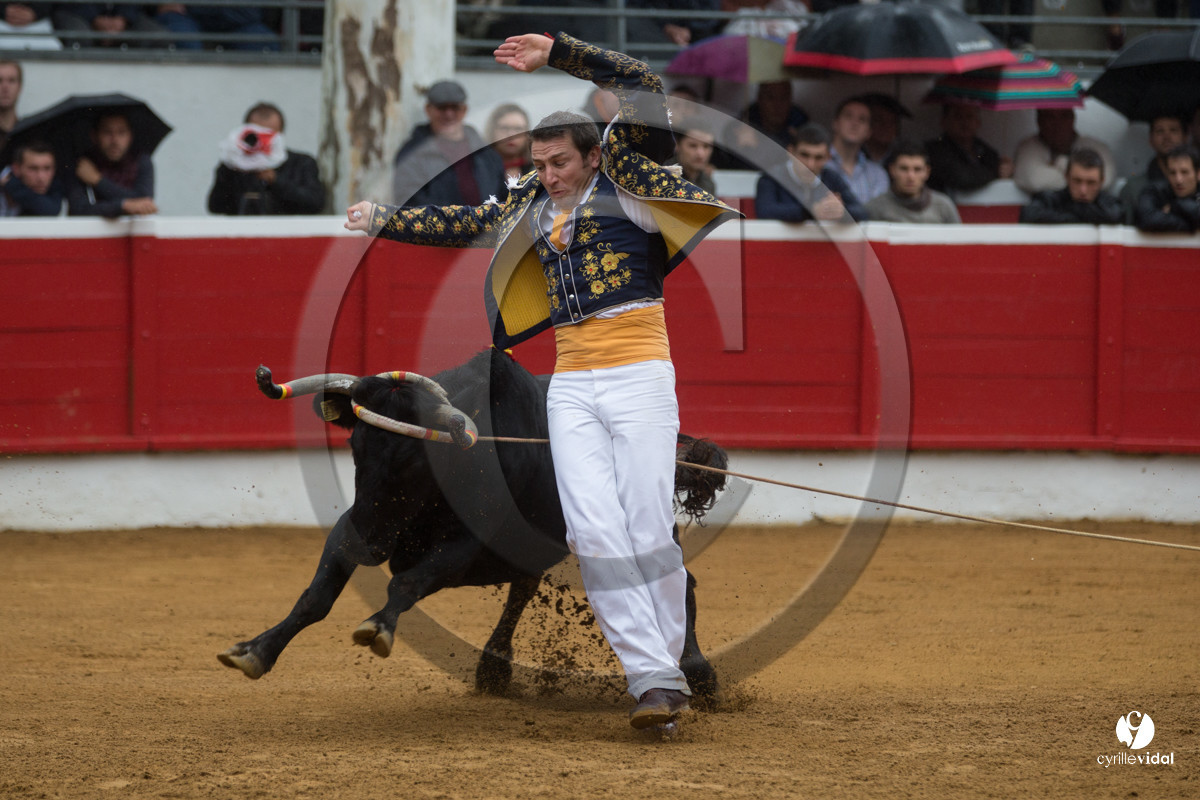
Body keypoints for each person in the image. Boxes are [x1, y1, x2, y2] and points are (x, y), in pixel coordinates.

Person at [345, 31, 739, 731]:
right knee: (590, 533)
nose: (550, 174)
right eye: (541, 164)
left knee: (648, 527)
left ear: (596, 155)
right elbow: (464, 220)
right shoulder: (530, 205)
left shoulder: (631, 181)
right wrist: (385, 221)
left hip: (641, 374)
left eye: (562, 162)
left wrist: (558, 51)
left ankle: (668, 663)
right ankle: (652, 682)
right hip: (572, 385)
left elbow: (640, 75)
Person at [392, 79, 506, 207]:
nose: (449, 114)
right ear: (428, 110)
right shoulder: (411, 155)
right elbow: (409, 203)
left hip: (487, 226)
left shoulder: (486, 152)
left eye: (455, 108)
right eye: (442, 108)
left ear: (464, 110)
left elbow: (502, 198)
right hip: (436, 227)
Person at [207, 102, 324, 215]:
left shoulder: (301, 163)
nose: (262, 142)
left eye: (269, 135)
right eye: (257, 134)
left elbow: (315, 203)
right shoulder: (232, 166)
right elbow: (215, 206)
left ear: (280, 135)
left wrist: (275, 180)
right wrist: (233, 167)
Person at [755, 123, 867, 223]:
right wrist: (811, 211)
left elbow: (862, 212)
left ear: (828, 157)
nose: (810, 165)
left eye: (818, 157)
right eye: (804, 155)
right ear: (791, 152)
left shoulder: (831, 178)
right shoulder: (771, 178)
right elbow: (765, 212)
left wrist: (841, 212)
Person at [66, 111, 157, 217]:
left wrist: (98, 180)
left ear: (130, 136)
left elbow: (144, 201)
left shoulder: (141, 160)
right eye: (107, 132)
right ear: (94, 136)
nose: (115, 140)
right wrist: (123, 206)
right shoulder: (83, 164)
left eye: (121, 132)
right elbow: (78, 210)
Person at [1013, 108, 1116, 194]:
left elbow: (1105, 180)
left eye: (1064, 116)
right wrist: (1084, 179)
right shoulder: (1028, 146)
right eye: (1049, 117)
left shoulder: (1096, 146)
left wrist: (1062, 164)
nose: (1057, 123)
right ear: (1039, 121)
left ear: (1073, 119)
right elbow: (1034, 181)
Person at [714, 80, 808, 170]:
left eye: (783, 98)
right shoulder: (744, 123)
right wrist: (744, 148)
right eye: (771, 98)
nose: (777, 105)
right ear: (760, 99)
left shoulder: (800, 125)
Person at [925, 103, 1013, 195]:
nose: (965, 122)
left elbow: (996, 164)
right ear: (944, 121)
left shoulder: (983, 148)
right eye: (958, 116)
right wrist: (996, 172)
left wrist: (1005, 169)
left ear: (978, 122)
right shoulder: (936, 149)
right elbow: (963, 179)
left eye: (969, 116)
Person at [1019, 147, 1122, 225]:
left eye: (1091, 183)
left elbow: (1116, 216)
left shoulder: (1109, 204)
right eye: (1077, 181)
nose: (1083, 190)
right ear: (1066, 177)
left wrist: (1074, 211)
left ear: (1101, 181)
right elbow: (1029, 214)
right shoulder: (1050, 199)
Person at [866, 141, 961, 224]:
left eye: (917, 169)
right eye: (904, 169)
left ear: (927, 172)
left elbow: (959, 242)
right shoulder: (874, 208)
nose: (911, 176)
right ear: (892, 170)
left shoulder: (944, 206)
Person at [1120, 115, 1187, 224]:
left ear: (1185, 137)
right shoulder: (1133, 189)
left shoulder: (1196, 187)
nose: (1167, 137)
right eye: (1160, 131)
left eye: (1173, 130)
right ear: (1150, 139)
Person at [828, 95, 889, 204]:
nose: (854, 123)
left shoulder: (878, 174)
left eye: (862, 119)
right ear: (835, 124)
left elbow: (878, 214)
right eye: (848, 116)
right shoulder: (816, 163)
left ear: (869, 132)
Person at [154, 4, 279, 51]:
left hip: (235, 20)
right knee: (185, 41)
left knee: (263, 42)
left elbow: (251, 12)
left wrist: (190, 6)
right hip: (185, 18)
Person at [1134, 144, 1200, 233]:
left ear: (1198, 174)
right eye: (1172, 173)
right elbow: (1146, 220)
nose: (1178, 180)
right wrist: (1190, 226)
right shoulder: (1154, 191)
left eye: (1185, 172)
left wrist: (1175, 206)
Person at [52, 3, 166, 48]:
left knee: (160, 38)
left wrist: (123, 18)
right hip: (78, 12)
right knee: (79, 37)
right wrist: (94, 18)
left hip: (123, 15)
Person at [0, 140, 62, 216]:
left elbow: (50, 210)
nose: (41, 178)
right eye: (33, 169)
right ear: (16, 169)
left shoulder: (55, 188)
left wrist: (12, 185)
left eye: (47, 168)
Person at [486, 102, 533, 183]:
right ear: (492, 130)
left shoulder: (538, 169)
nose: (511, 135)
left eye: (518, 129)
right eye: (504, 128)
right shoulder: (479, 168)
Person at [859, 93, 910, 165]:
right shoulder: (852, 153)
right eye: (879, 120)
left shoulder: (905, 155)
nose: (887, 126)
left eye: (892, 121)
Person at [673, 123, 716, 195]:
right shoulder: (664, 177)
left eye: (706, 146)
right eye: (693, 145)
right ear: (677, 145)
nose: (700, 154)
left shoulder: (708, 184)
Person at [0, 58, 20, 153]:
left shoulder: (27, 133)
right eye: (0, 80)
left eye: (11, 81)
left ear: (19, 86)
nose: (5, 87)